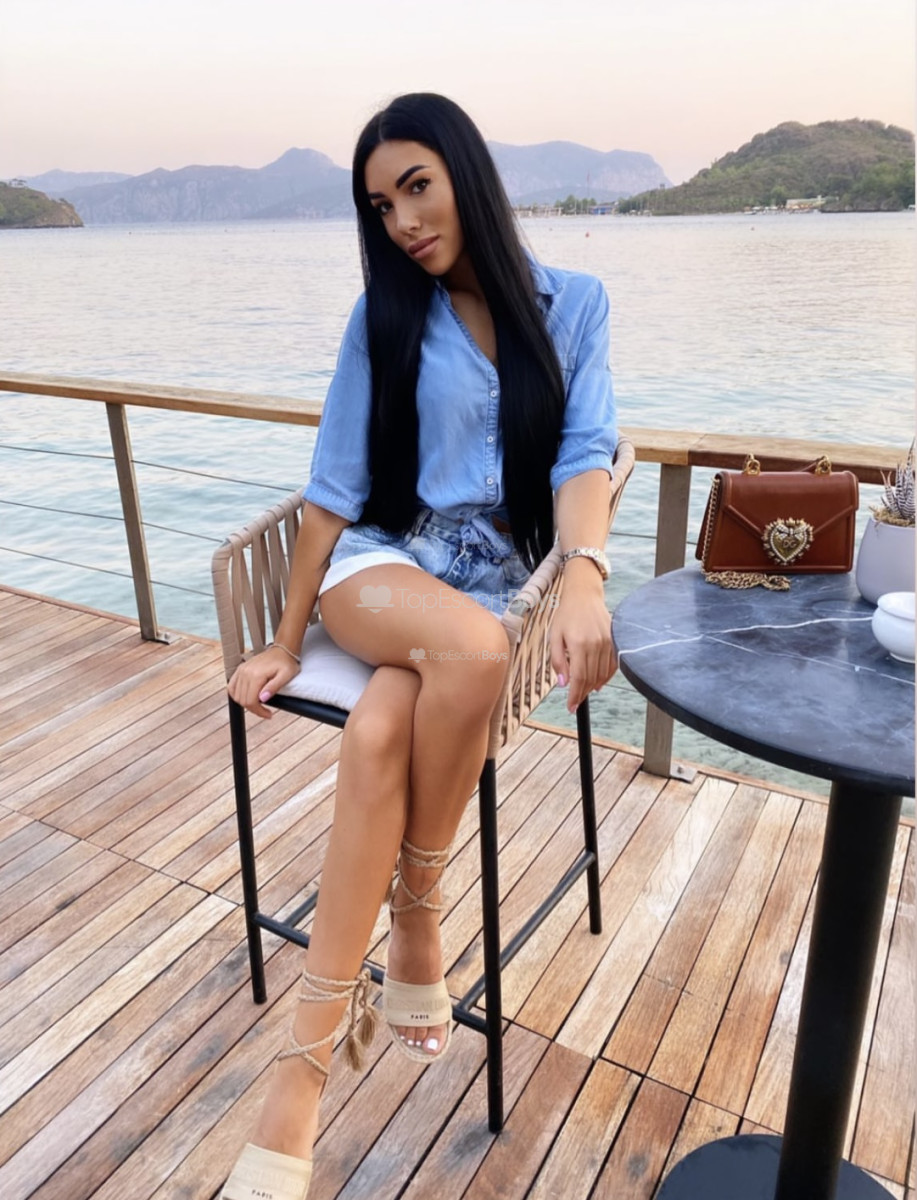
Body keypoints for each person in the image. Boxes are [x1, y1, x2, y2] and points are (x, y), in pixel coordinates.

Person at [221, 92, 618, 1200]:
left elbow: (585, 453)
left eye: (415, 188)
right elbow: (333, 487)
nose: (399, 221)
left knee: (380, 730)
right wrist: (284, 638)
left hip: (486, 590)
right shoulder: (384, 317)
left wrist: (584, 574)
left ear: (464, 176)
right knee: (474, 654)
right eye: (379, 205)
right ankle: (419, 921)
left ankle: (298, 1082)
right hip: (381, 572)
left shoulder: (575, 305)